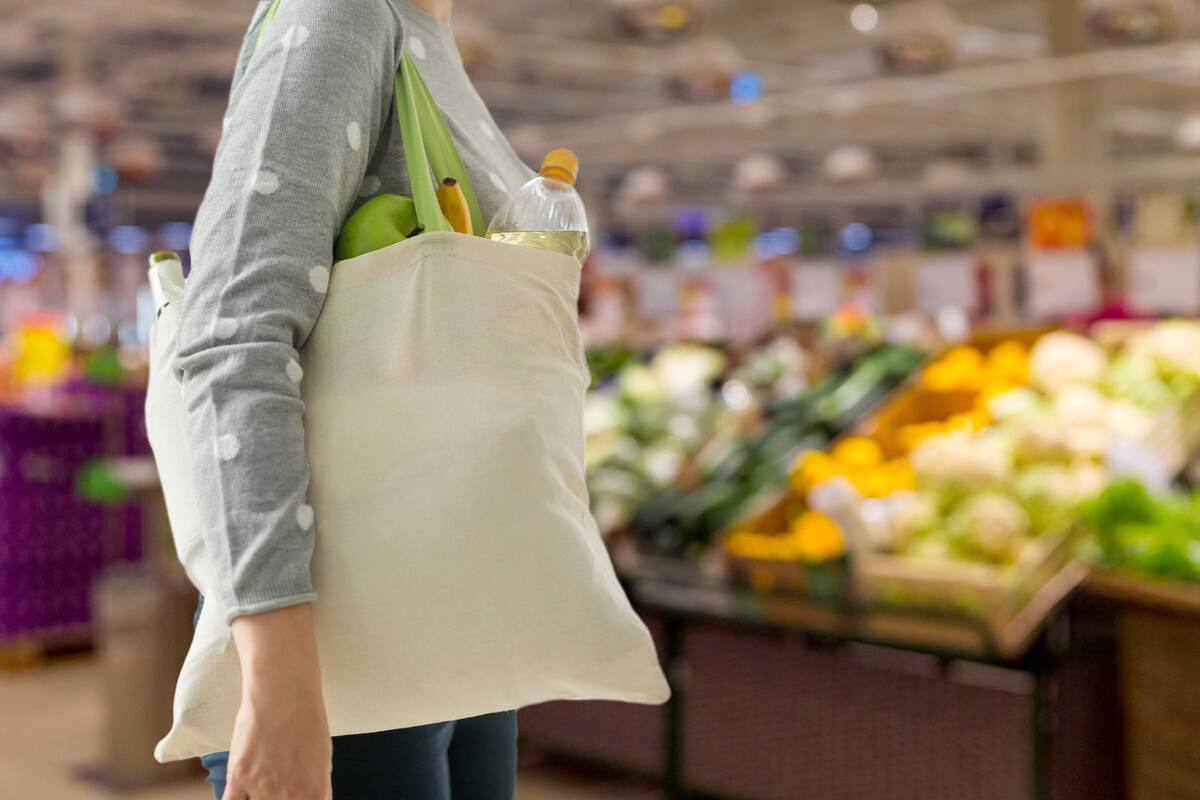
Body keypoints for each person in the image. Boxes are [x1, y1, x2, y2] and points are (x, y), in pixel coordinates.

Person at [175, 0, 534, 797]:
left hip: (453, 606)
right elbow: (235, 334)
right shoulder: (344, 13)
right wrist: (281, 689)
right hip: (346, 644)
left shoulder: (421, 32)